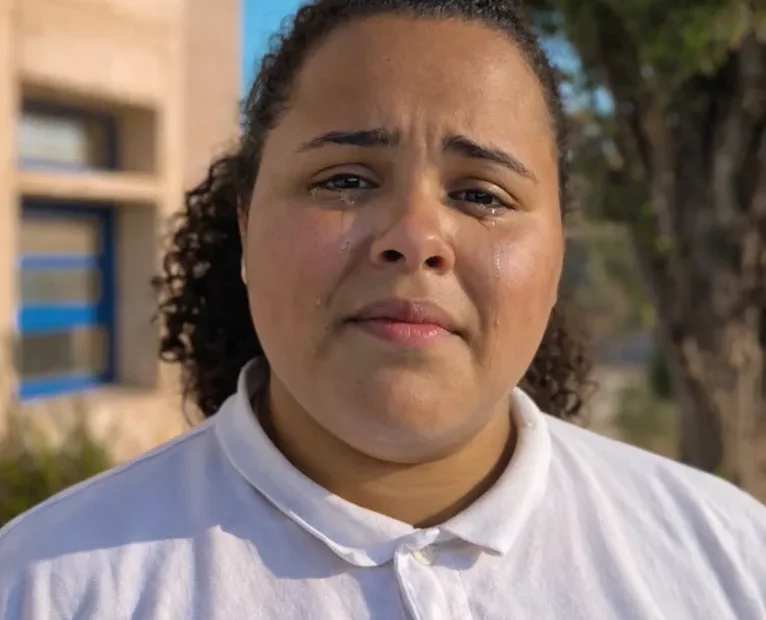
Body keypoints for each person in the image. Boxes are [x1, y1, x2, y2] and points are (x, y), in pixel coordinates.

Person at [1, 0, 764, 617]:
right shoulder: (42, 587)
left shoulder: (732, 559)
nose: (415, 238)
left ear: (559, 250)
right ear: (247, 224)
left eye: (481, 194)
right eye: (345, 180)